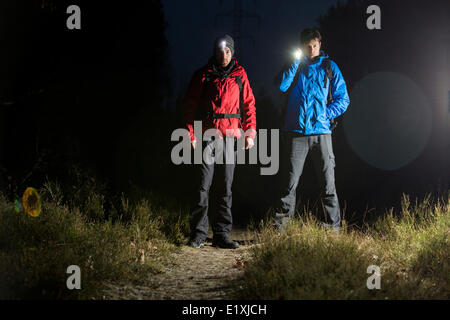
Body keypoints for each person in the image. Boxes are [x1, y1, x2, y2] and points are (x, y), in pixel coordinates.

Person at [183, 34, 257, 249]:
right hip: (207, 136)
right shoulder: (203, 75)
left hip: (231, 138)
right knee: (202, 186)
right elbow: (189, 105)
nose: (224, 55)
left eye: (228, 51)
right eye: (220, 51)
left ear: (232, 52)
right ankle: (198, 233)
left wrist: (250, 133)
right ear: (214, 52)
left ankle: (221, 235)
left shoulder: (240, 75)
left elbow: (249, 105)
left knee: (225, 186)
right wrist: (190, 134)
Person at [274, 28, 350, 232]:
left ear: (320, 45)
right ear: (301, 46)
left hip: (322, 132)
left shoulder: (329, 66)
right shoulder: (295, 66)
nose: (311, 49)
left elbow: (344, 99)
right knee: (288, 184)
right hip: (296, 132)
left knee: (328, 184)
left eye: (314, 45)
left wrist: (326, 113)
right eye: (307, 46)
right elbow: (281, 86)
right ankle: (281, 230)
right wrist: (294, 63)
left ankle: (332, 230)